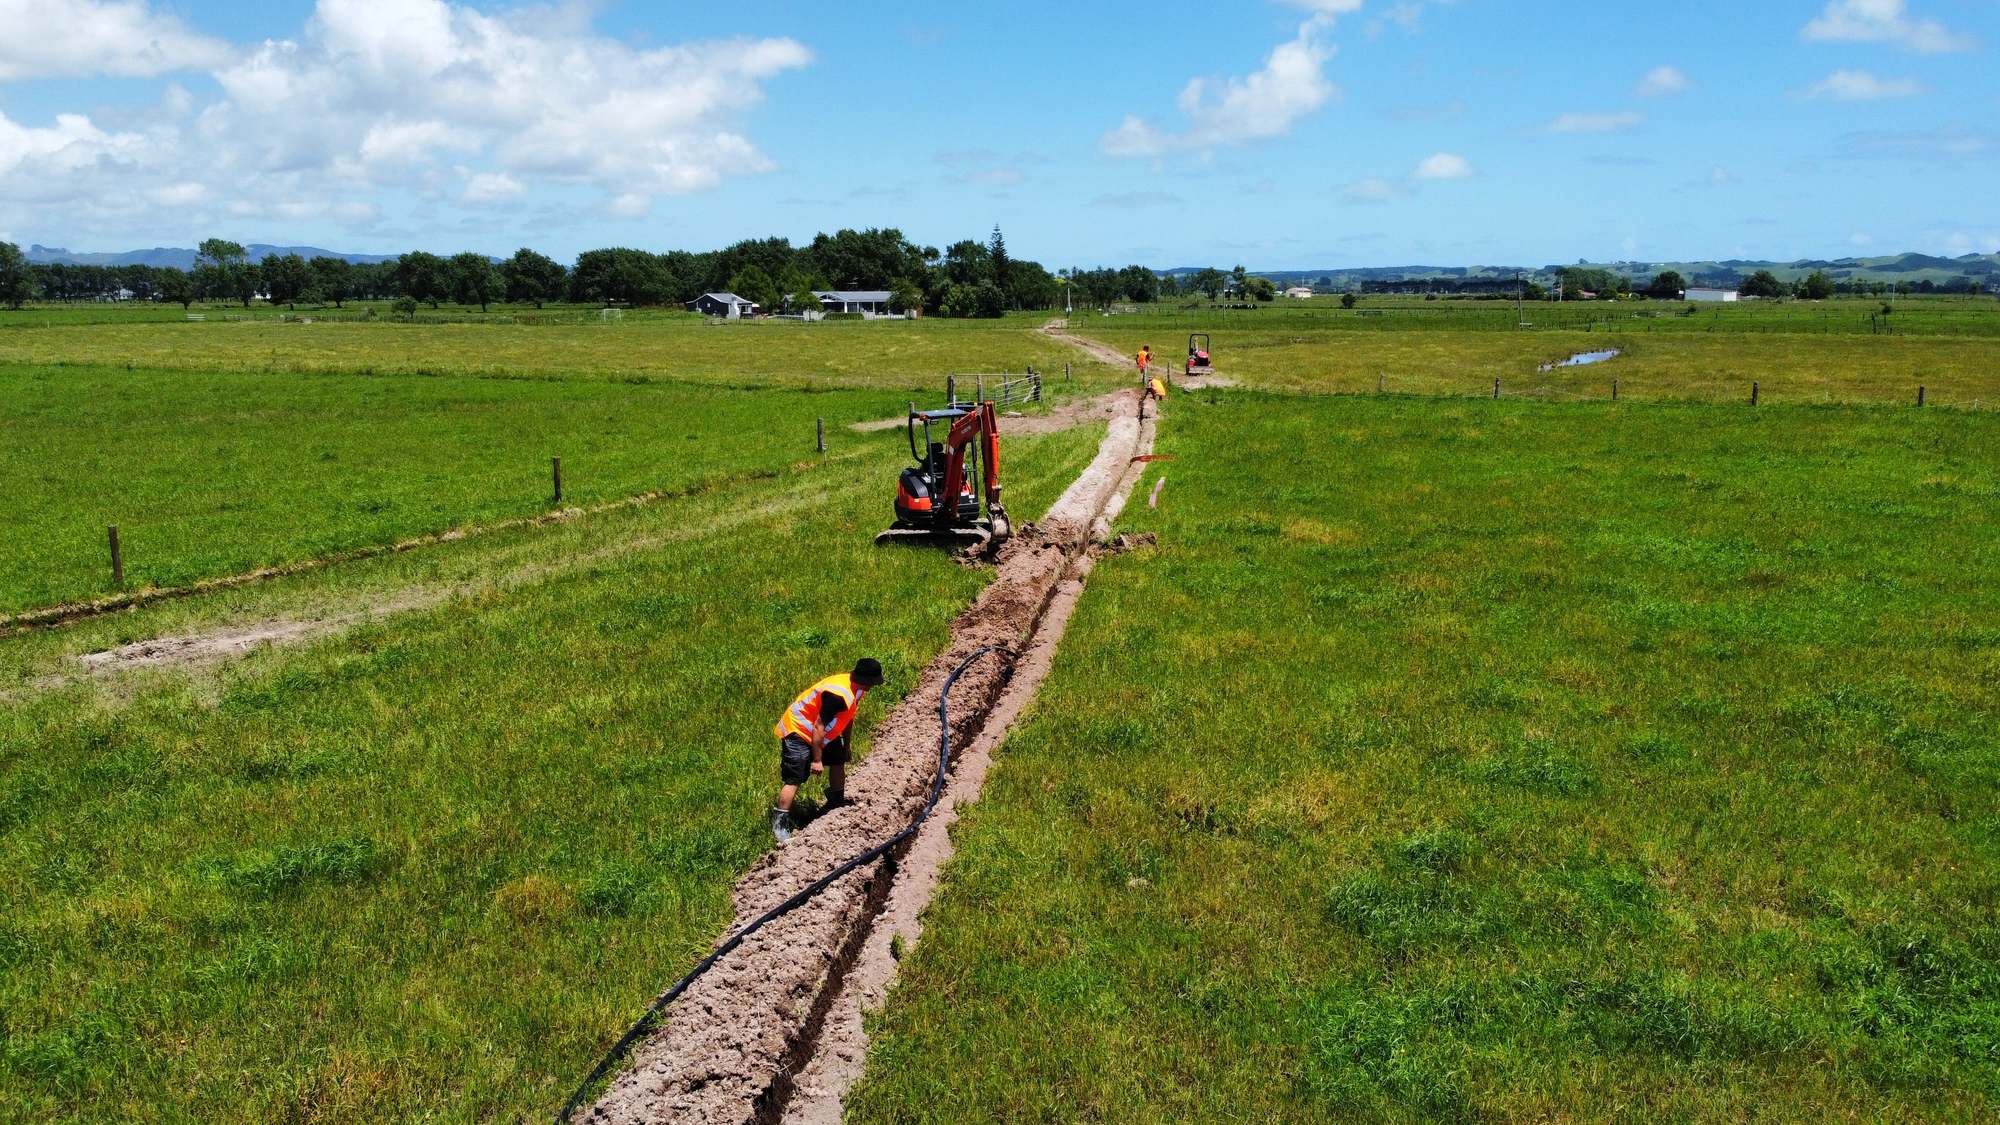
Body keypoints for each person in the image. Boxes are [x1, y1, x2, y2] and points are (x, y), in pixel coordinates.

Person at [770, 657, 885, 842]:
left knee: (839, 760)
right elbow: (818, 725)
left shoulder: (856, 690)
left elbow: (848, 717)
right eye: (872, 682)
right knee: (796, 777)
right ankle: (780, 825)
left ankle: (836, 800)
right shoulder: (837, 695)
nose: (873, 687)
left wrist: (846, 745)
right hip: (799, 729)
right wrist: (817, 760)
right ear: (863, 679)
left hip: (822, 733)